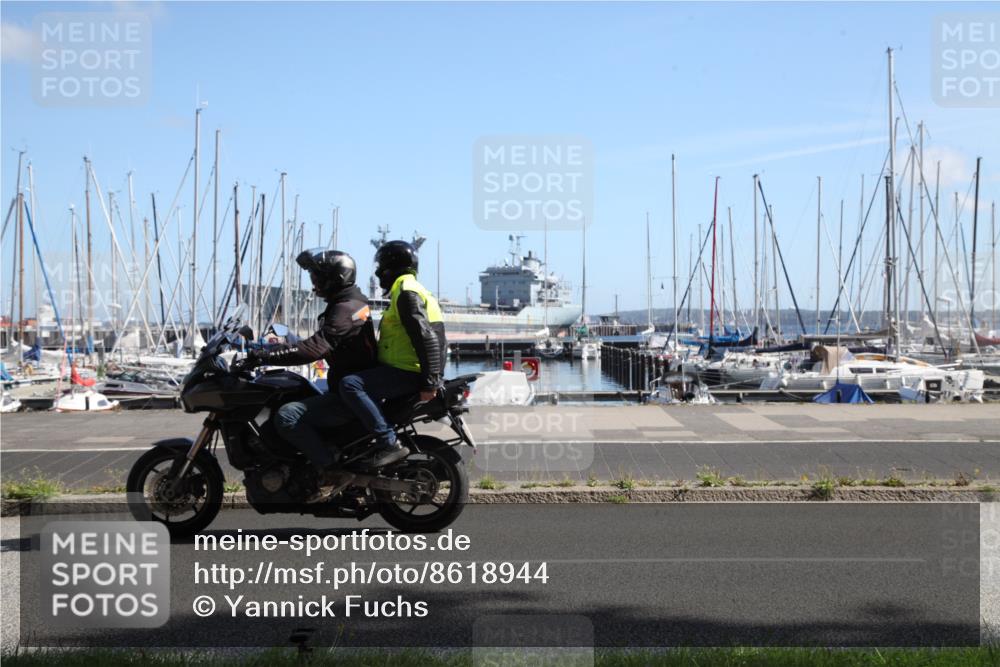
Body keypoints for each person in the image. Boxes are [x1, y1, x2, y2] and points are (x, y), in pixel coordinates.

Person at [240, 249, 376, 492]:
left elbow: (315, 348)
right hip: (348, 388)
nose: (313, 282)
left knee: (287, 416)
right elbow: (316, 342)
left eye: (317, 276)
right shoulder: (348, 303)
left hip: (348, 397)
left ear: (334, 278)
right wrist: (265, 347)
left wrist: (264, 357)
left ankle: (331, 471)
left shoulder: (345, 308)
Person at [338, 240, 446, 468]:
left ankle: (387, 443)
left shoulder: (405, 293)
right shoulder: (415, 289)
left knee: (351, 385)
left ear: (391, 267)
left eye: (381, 266)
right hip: (408, 369)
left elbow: (425, 336)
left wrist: (431, 382)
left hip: (408, 372)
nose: (378, 272)